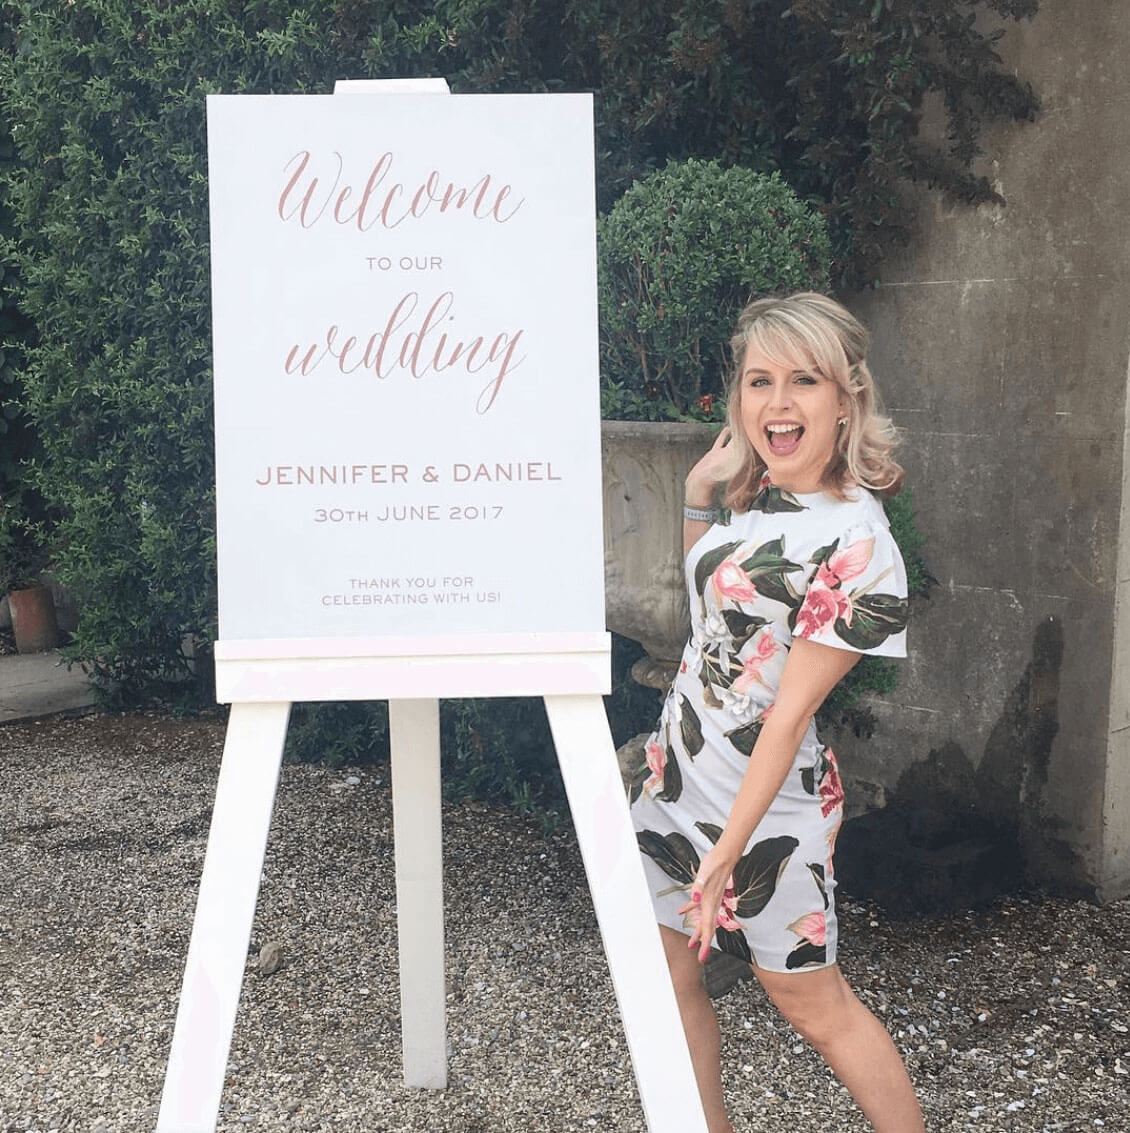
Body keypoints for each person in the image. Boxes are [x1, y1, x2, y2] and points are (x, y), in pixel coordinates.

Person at [629, 292, 926, 1132]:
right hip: (676, 781)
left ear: (846, 399)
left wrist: (728, 850)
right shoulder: (759, 499)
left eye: (804, 380)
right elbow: (712, 619)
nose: (778, 403)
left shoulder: (857, 543)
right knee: (664, 976)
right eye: (760, 381)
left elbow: (787, 717)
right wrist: (698, 497)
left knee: (812, 1003)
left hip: (765, 813)